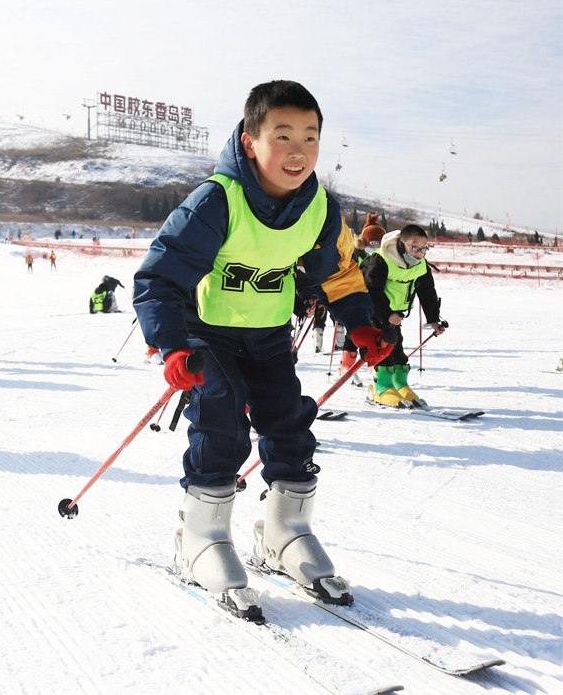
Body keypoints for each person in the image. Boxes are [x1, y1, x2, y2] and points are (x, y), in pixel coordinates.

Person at [133, 80, 393, 620]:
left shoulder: (320, 209)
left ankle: (285, 532)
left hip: (269, 334)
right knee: (222, 422)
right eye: (282, 135)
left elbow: (340, 273)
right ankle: (201, 537)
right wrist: (171, 345)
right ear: (250, 141)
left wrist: (361, 327)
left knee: (290, 423)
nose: (298, 151)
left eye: (311, 136)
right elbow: (159, 276)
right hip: (210, 331)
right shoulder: (216, 200)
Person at [362, 223, 447, 407]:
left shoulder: (420, 265)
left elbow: (427, 292)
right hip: (375, 312)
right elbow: (370, 292)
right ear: (402, 244)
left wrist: (433, 320)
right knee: (382, 349)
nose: (419, 252)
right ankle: (381, 387)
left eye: (423, 248)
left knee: (397, 349)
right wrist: (386, 314)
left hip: (395, 315)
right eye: (414, 247)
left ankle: (400, 384)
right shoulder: (381, 259)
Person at [338, 213, 387, 384]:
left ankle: (374, 364)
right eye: (370, 244)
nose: (374, 247)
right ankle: (346, 364)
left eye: (378, 244)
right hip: (356, 297)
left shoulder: (384, 258)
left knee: (376, 330)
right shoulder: (357, 254)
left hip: (377, 299)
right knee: (355, 331)